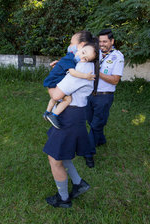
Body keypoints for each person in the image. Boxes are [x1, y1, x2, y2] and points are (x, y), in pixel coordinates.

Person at [43, 31, 99, 208]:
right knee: (62, 154)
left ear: (82, 45)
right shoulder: (85, 65)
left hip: (70, 115)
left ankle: (64, 199)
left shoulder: (82, 68)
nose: (70, 46)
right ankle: (78, 183)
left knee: (54, 158)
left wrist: (49, 87)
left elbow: (57, 93)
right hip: (74, 114)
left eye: (72, 42)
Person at [84, 29, 124, 168]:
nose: (102, 44)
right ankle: (101, 139)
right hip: (90, 94)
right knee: (91, 121)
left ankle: (88, 154)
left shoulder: (117, 57)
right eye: (100, 41)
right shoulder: (96, 52)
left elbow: (115, 80)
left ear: (112, 41)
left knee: (95, 125)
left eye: (105, 41)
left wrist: (98, 73)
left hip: (104, 97)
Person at [43, 43, 96, 129]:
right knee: (67, 99)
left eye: (85, 59)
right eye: (83, 53)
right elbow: (73, 73)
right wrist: (86, 76)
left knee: (55, 98)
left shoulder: (70, 57)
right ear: (79, 48)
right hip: (54, 80)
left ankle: (47, 112)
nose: (82, 58)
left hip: (53, 79)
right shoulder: (71, 59)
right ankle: (54, 115)